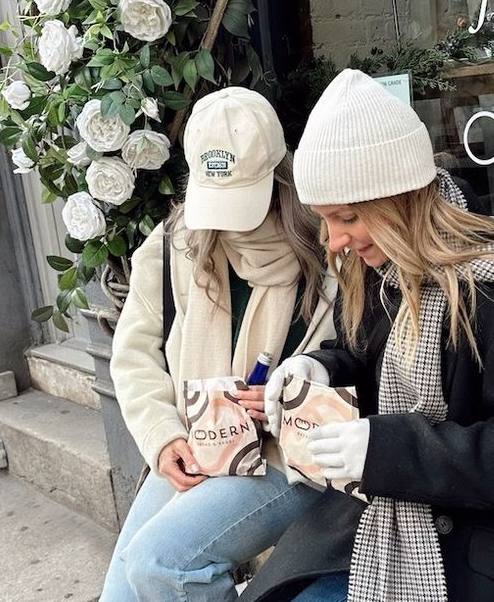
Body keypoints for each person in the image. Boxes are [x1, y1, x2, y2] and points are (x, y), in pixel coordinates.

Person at [241, 70, 494, 602]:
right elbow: (362, 351)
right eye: (325, 221)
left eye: (348, 217)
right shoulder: (385, 273)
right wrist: (322, 368)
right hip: (398, 518)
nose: (333, 241)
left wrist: (388, 449)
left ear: (398, 202)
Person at [100, 86, 337, 602]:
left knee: (162, 565)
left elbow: (356, 370)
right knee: (121, 594)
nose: (226, 222)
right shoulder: (175, 244)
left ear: (280, 179)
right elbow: (134, 356)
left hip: (286, 457)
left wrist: (288, 396)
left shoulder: (330, 248)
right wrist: (164, 438)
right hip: (200, 444)